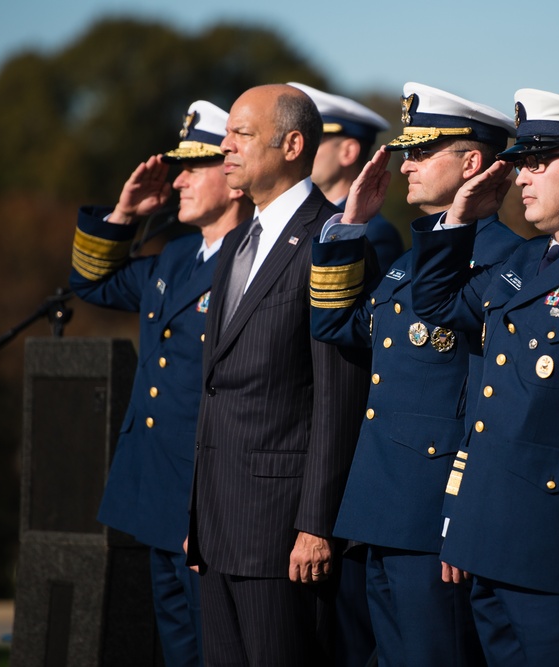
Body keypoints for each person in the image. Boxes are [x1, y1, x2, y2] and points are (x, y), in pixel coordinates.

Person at [405, 88, 559, 666]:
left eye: (538, 163)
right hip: (489, 539)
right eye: (519, 165)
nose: (521, 179)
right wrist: (460, 217)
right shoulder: (525, 260)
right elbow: (436, 304)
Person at [309, 81, 522, 666]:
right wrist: (350, 227)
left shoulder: (508, 262)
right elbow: (336, 328)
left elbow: (488, 399)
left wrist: (461, 512)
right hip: (379, 510)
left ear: (473, 163)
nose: (408, 164)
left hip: (435, 518)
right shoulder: (410, 263)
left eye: (425, 152)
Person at [184, 84, 370, 667]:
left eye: (240, 133)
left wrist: (315, 525)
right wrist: (198, 513)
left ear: (292, 144)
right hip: (217, 527)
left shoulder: (332, 240)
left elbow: (337, 397)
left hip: (280, 532)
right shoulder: (239, 239)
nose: (225, 146)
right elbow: (218, 390)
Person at [70, 100, 249, 667]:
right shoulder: (175, 256)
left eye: (195, 166)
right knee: (177, 650)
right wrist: (124, 213)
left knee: (215, 647)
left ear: (236, 177)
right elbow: (93, 286)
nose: (179, 180)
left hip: (208, 498)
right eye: (179, 167)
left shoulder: (252, 264)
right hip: (156, 493)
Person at [290, 81, 405, 275]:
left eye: (313, 141)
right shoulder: (296, 219)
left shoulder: (374, 233)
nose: (302, 150)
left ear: (348, 152)